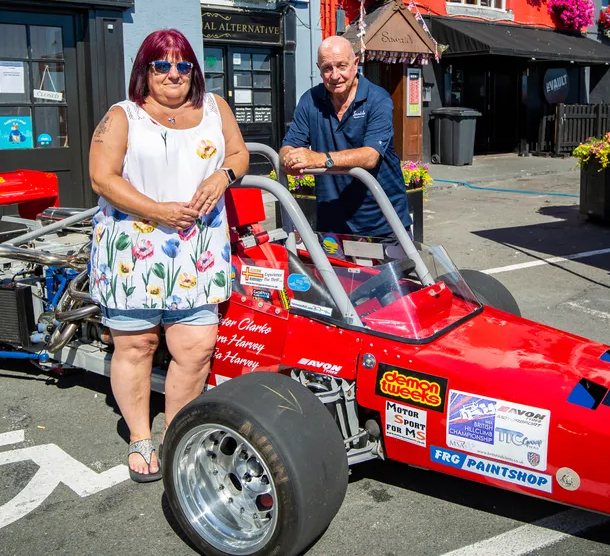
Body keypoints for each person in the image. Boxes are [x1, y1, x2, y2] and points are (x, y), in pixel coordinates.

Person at [88, 29, 249, 482]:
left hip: (198, 250)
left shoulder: (215, 108)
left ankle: (179, 434)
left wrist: (223, 176)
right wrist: (157, 210)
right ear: (145, 70)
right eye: (162, 65)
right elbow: (102, 177)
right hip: (134, 252)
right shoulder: (123, 116)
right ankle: (141, 437)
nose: (174, 74)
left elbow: (238, 153)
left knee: (195, 348)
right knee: (137, 345)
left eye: (183, 65)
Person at [280, 35, 411, 240]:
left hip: (382, 221)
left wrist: (319, 159)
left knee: (389, 273)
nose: (335, 75)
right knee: (334, 273)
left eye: (342, 66)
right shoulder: (310, 100)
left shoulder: (377, 99)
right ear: (319, 68)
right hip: (332, 221)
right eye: (327, 68)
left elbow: (370, 156)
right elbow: (290, 144)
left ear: (356, 63)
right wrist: (289, 158)